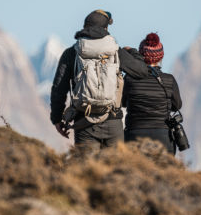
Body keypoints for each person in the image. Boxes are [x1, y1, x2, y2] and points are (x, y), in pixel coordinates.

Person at [50, 10, 149, 154]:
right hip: (113, 121)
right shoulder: (115, 51)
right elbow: (141, 71)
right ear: (105, 29)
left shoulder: (72, 53)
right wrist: (132, 52)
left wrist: (57, 119)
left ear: (85, 27)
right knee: (117, 172)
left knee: (86, 172)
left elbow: (59, 89)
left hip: (84, 122)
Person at [122, 33, 182, 155]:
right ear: (161, 57)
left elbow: (122, 103)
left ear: (141, 56)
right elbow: (177, 106)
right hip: (163, 137)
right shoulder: (169, 80)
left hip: (134, 135)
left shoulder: (129, 79)